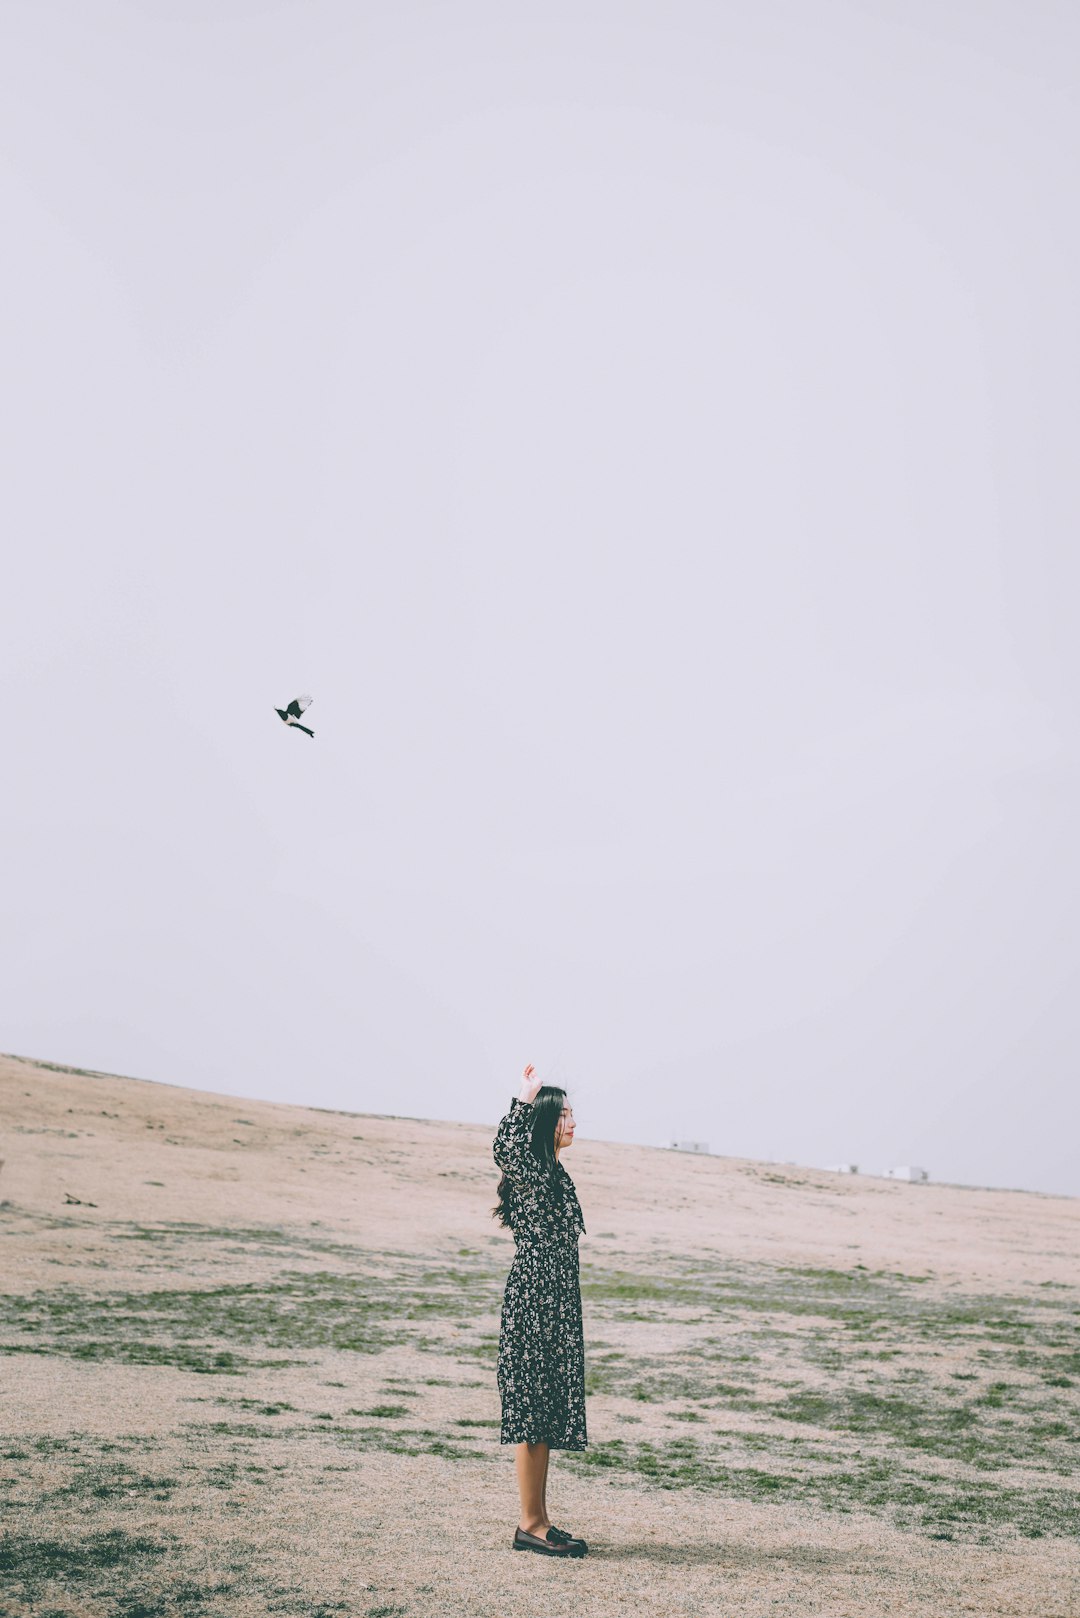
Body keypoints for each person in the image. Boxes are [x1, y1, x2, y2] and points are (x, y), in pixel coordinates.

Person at [492, 1063, 589, 1558]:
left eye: (573, 1114)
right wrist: (523, 1099)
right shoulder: (529, 1167)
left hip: (553, 1304)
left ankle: (540, 1520)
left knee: (545, 1412)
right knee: (532, 1412)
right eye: (564, 1115)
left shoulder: (552, 1171)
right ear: (544, 1120)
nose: (573, 1123)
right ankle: (530, 1524)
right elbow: (505, 1149)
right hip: (533, 1302)